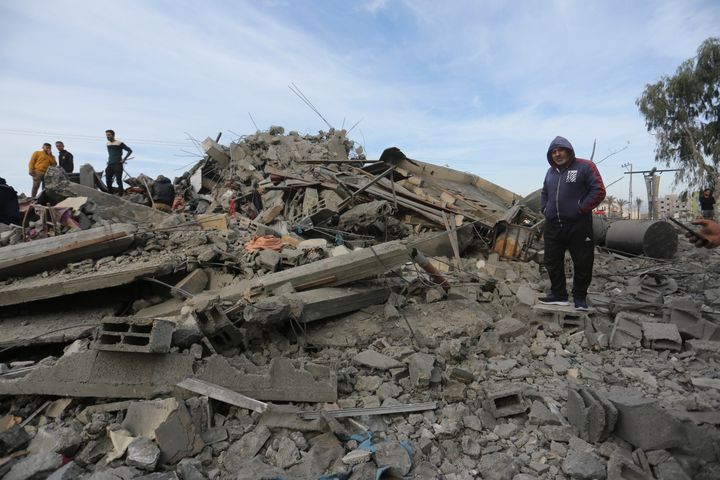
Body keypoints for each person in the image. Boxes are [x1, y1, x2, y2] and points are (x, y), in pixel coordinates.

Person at [539, 136, 606, 310]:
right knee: (551, 261)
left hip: (578, 225)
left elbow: (598, 190)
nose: (557, 154)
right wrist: (544, 209)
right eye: (553, 152)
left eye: (560, 150)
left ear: (569, 150)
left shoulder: (584, 167)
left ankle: (579, 297)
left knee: (583, 261)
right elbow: (544, 192)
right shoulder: (550, 172)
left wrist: (580, 209)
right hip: (553, 225)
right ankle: (559, 295)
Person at [105, 129, 132, 195]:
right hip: (110, 164)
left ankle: (120, 195)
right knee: (108, 180)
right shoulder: (107, 144)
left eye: (109, 135)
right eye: (106, 135)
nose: (107, 137)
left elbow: (130, 150)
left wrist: (124, 159)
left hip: (118, 164)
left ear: (113, 135)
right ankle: (111, 194)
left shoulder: (119, 143)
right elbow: (111, 154)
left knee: (118, 181)